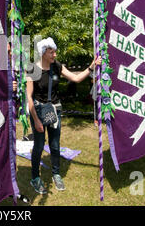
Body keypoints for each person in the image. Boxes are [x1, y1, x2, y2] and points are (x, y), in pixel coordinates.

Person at [26, 37, 100, 194]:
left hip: (55, 110)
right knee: (38, 145)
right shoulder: (32, 69)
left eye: (54, 51)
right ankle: (35, 178)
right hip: (38, 111)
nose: (54, 54)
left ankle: (56, 173)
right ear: (43, 53)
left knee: (54, 144)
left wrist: (91, 67)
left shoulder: (57, 66)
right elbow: (29, 99)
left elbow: (76, 78)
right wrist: (37, 121)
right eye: (51, 52)